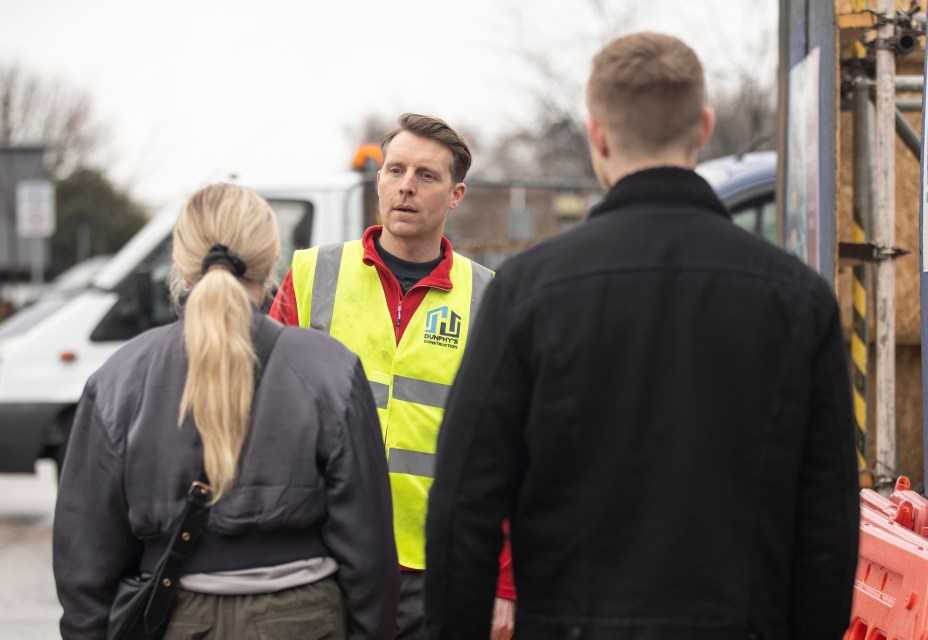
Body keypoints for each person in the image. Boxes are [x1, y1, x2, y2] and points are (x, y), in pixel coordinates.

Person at [425, 32, 860, 639]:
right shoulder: (799, 300)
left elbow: (463, 506)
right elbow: (828, 530)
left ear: (597, 134)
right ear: (704, 126)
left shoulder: (528, 291)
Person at [53, 183, 399, 639]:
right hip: (301, 620)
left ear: (179, 261)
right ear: (272, 258)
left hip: (172, 617)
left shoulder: (119, 379)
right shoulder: (331, 370)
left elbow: (85, 564)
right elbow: (369, 551)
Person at [269, 113, 516, 639]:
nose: (406, 185)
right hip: (320, 555)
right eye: (395, 169)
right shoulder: (311, 274)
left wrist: (505, 584)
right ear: (378, 180)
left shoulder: (490, 297)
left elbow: (512, 449)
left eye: (427, 175)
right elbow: (260, 415)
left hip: (434, 566)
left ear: (456, 195)